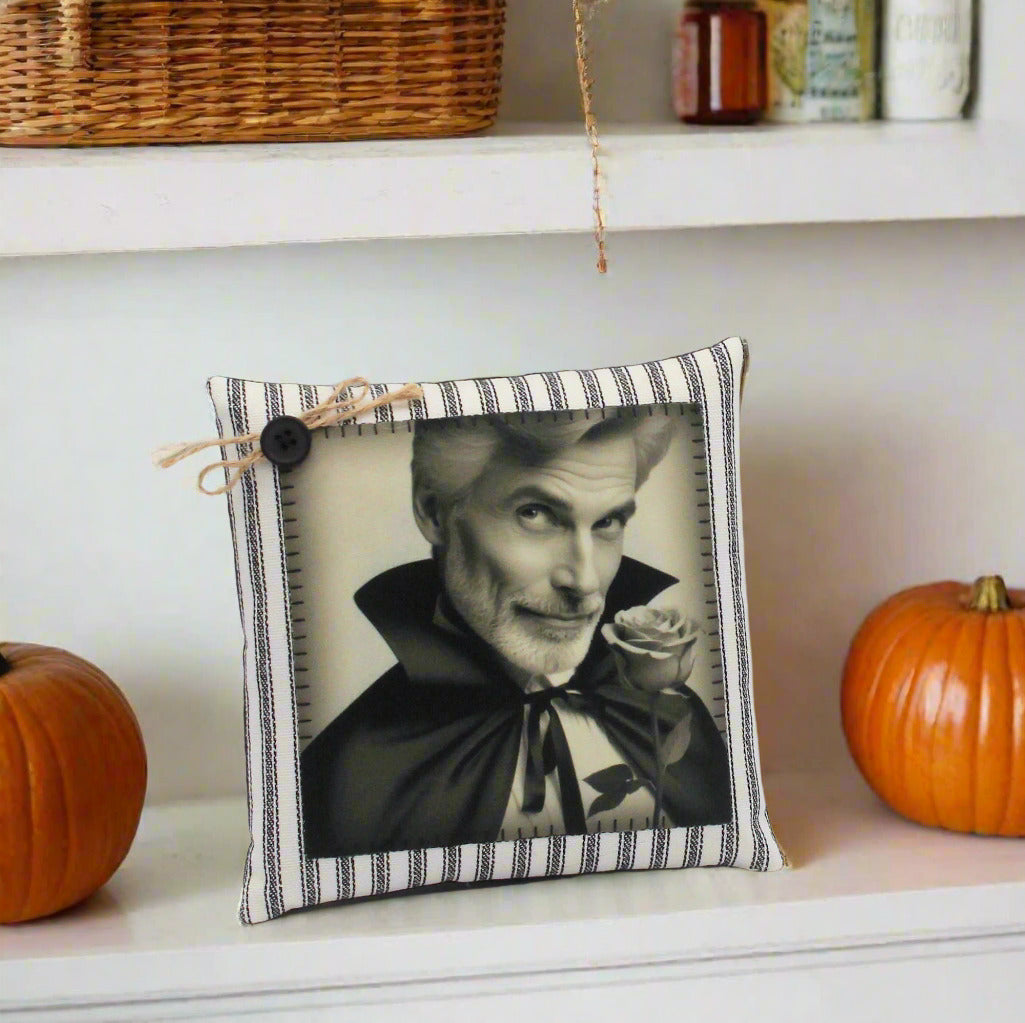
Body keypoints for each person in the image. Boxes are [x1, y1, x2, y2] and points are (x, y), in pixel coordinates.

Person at [301, 412, 731, 858]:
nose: (584, 581)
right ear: (433, 513)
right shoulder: (352, 774)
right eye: (535, 514)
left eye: (607, 522)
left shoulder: (662, 715)